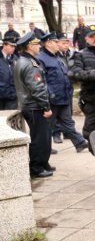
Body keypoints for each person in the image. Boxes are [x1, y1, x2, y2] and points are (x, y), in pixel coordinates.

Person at [38, 32, 88, 153]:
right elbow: (41, 80)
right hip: (53, 99)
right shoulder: (41, 59)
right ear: (48, 43)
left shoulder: (56, 57)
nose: (58, 44)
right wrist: (50, 95)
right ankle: (44, 149)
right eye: (55, 42)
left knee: (68, 123)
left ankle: (80, 143)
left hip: (64, 96)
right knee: (47, 127)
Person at [13, 32, 54, 178]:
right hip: (34, 107)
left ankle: (43, 163)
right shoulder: (30, 64)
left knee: (44, 136)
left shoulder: (22, 61)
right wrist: (46, 107)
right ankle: (36, 167)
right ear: (30, 46)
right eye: (37, 44)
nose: (39, 47)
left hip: (31, 106)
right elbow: (37, 89)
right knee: (39, 138)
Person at [68, 25, 95, 148]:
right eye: (91, 36)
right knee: (92, 135)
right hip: (92, 100)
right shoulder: (80, 55)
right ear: (86, 39)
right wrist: (93, 75)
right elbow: (73, 73)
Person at [0, 38, 18, 110]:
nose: (13, 48)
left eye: (14, 47)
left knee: (10, 118)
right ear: (4, 45)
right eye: (11, 46)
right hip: (1, 95)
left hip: (12, 95)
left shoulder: (15, 58)